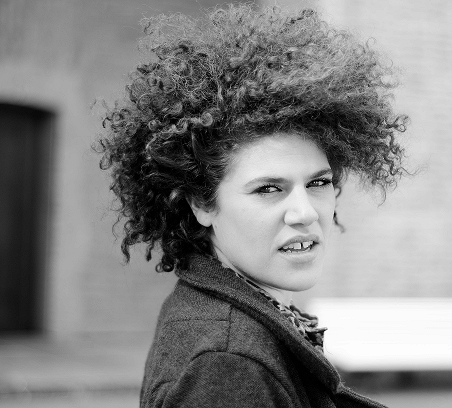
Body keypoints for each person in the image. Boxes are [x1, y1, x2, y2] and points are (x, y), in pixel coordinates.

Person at [98, 4, 407, 407]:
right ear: (202, 203)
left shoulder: (230, 320)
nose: (305, 212)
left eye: (318, 183)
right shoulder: (227, 365)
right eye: (268, 189)